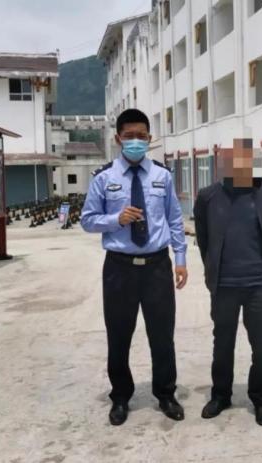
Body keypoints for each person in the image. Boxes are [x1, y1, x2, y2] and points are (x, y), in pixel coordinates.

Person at [81, 109, 188, 426]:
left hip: (157, 266)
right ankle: (120, 397)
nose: (136, 141)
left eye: (142, 136)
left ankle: (166, 394)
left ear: (150, 138)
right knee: (118, 335)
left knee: (162, 335)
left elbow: (175, 220)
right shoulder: (104, 178)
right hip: (119, 268)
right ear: (118, 138)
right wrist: (116, 219)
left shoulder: (162, 176)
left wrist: (180, 260)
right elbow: (87, 220)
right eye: (129, 136)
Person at [194, 140, 262, 426]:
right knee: (222, 344)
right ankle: (221, 395)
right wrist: (213, 270)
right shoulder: (208, 197)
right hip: (224, 287)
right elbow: (203, 239)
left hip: (259, 286)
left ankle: (261, 399)